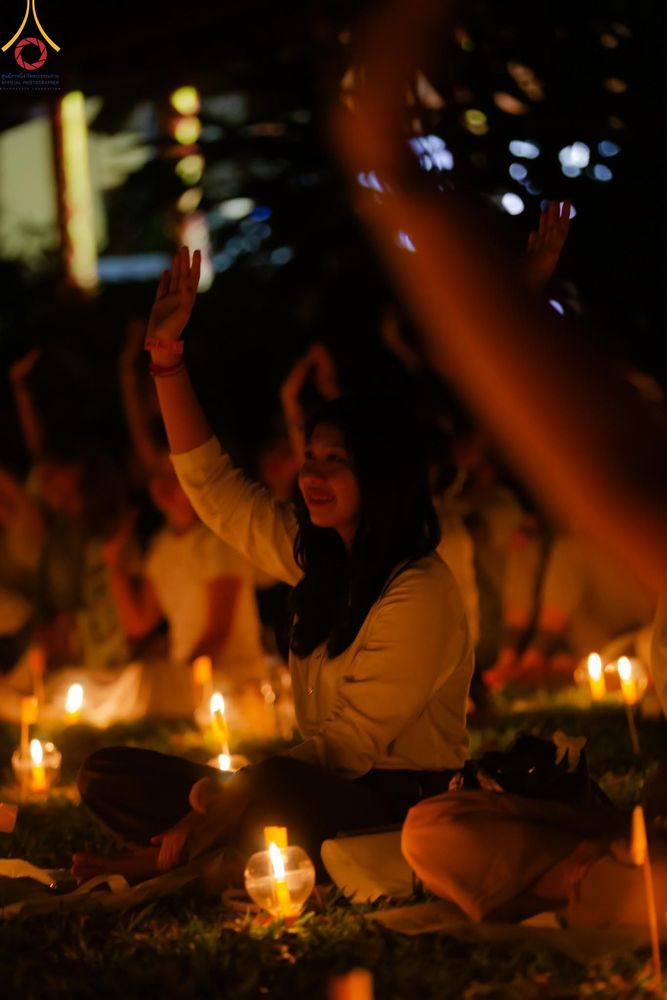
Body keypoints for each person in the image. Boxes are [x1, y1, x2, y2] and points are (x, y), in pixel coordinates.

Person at [72, 247, 474, 885]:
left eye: (334, 461)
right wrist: (166, 362)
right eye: (309, 456)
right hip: (301, 786)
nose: (311, 473)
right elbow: (216, 492)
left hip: (391, 807)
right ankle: (219, 845)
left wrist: (237, 795)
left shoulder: (419, 588)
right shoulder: (316, 557)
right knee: (109, 772)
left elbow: (345, 749)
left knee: (277, 782)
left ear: (381, 473)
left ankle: (195, 859)